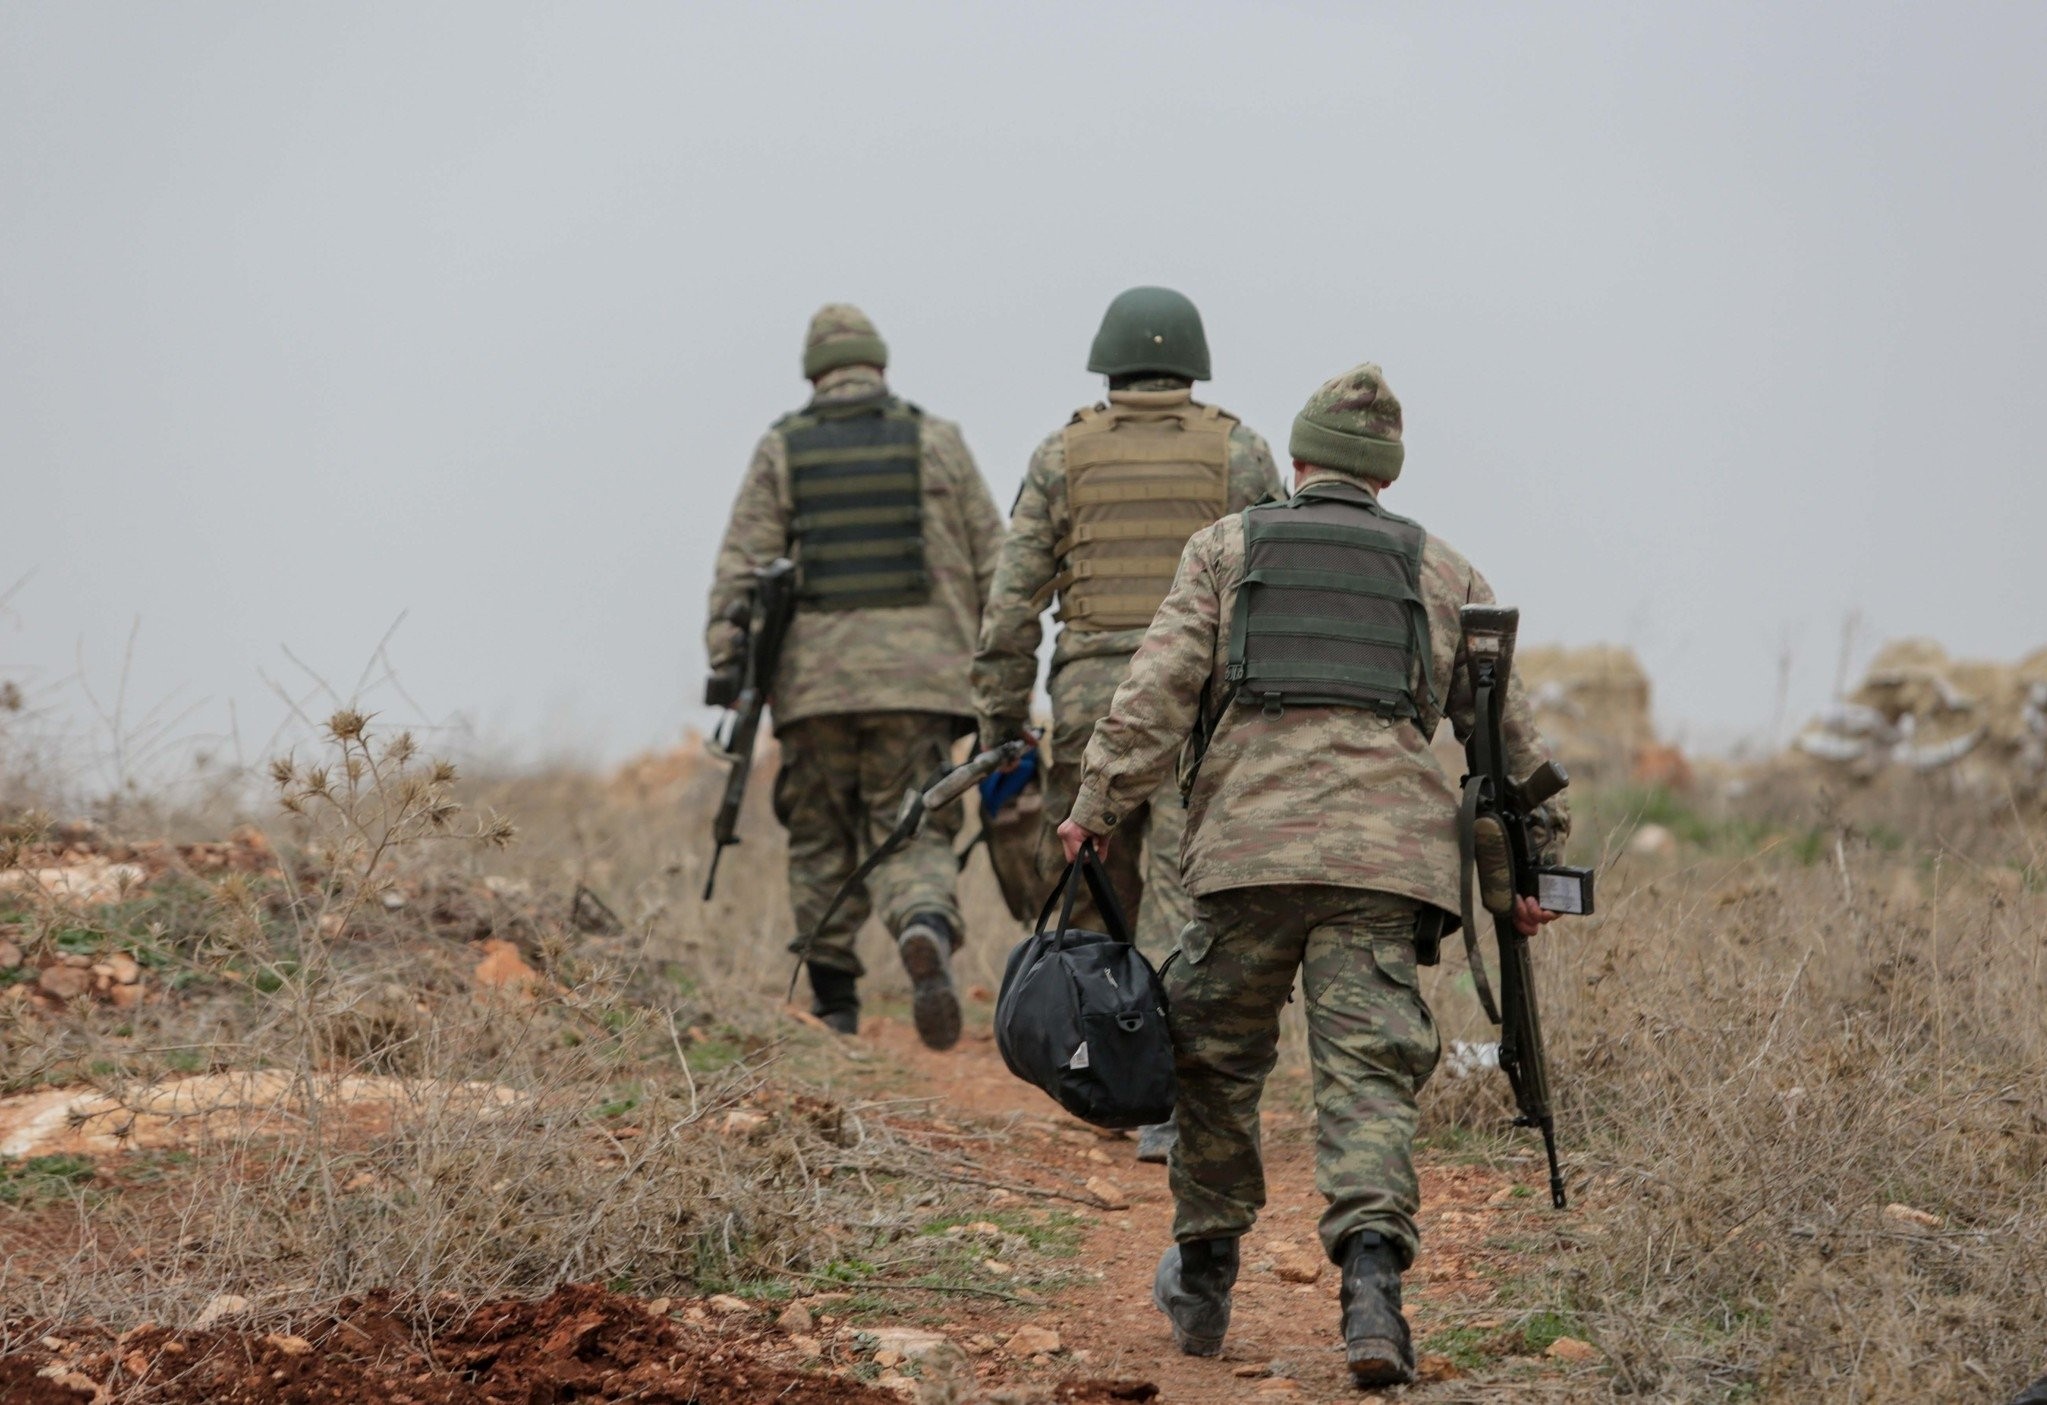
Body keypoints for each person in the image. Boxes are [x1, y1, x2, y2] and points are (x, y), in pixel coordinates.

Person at [1054, 363, 1572, 1386]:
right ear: (1385, 474)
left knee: (1211, 1061)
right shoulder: (1445, 570)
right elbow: (1504, 752)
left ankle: (1202, 1280)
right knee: (1367, 1077)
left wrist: (1094, 808)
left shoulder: (1227, 547)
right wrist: (1533, 871)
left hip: (1247, 848)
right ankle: (1372, 1290)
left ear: (1296, 461)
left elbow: (1154, 692)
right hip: (1386, 864)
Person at [972, 286, 1281, 1163]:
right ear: (1194, 363)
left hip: (1087, 702)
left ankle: (1097, 1070)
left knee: (1097, 885)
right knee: (1185, 900)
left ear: (1106, 362)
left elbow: (1010, 604)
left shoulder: (1060, 453)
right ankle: (1170, 1103)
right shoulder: (1242, 450)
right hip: (1196, 702)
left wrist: (1000, 716)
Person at [705, 304, 1004, 1049]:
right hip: (921, 684)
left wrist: (726, 669)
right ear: (880, 365)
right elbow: (998, 561)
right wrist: (1004, 673)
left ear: (814, 374)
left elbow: (740, 571)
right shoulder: (938, 442)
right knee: (912, 826)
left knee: (819, 837)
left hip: (814, 688)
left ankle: (834, 1001)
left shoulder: (782, 448)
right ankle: (924, 923)